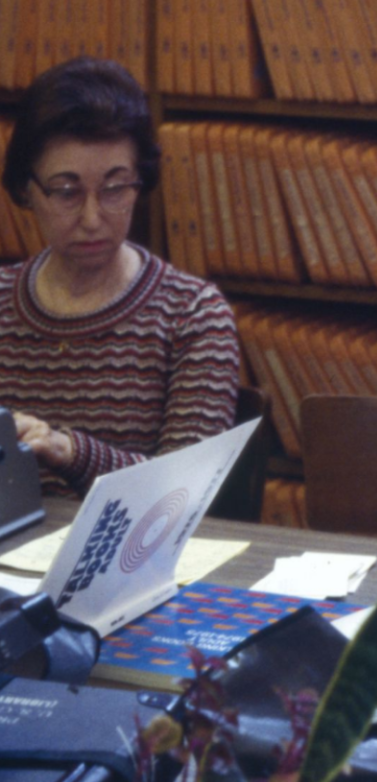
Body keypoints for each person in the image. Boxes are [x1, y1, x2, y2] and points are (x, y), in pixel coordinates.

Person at [0, 56, 240, 498]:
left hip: (130, 561)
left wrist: (67, 450)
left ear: (140, 183)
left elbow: (184, 490)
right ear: (25, 190)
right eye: (67, 192)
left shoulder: (192, 314)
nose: (93, 218)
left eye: (114, 188)